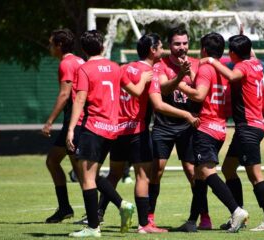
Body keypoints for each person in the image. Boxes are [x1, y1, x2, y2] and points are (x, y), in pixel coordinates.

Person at [97, 33, 200, 234]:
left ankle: (98, 215)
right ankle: (145, 224)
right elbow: (159, 105)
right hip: (137, 131)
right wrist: (187, 115)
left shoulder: (124, 68)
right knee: (143, 177)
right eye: (161, 47)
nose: (162, 51)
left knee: (114, 174)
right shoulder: (150, 72)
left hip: (118, 130)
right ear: (153, 50)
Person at [66, 30, 150, 237]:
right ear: (102, 46)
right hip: (112, 130)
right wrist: (145, 78)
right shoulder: (115, 67)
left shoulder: (84, 69)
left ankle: (93, 227)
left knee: (85, 178)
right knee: (92, 175)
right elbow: (137, 92)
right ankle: (122, 204)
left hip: (93, 127)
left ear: (84, 49)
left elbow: (79, 100)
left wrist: (70, 128)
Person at [200, 34, 264, 231]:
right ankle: (238, 214)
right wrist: (243, 36)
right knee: (228, 169)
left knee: (255, 175)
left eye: (230, 51)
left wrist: (210, 60)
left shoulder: (241, 67)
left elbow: (232, 76)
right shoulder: (255, 62)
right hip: (251, 127)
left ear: (233, 53)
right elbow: (249, 52)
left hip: (248, 128)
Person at [176, 32, 248, 233]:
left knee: (207, 173)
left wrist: (180, 85)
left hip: (205, 128)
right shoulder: (223, 69)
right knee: (199, 176)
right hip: (219, 128)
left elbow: (199, 94)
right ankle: (192, 221)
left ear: (204, 50)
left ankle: (236, 210)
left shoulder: (206, 67)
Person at [148, 27, 211, 231]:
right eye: (177, 43)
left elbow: (200, 89)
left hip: (189, 125)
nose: (181, 47)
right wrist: (179, 77)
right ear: (169, 45)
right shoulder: (160, 65)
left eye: (184, 43)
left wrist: (189, 72)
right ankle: (149, 217)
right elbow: (163, 89)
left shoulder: (195, 63)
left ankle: (204, 216)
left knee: (193, 172)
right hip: (164, 125)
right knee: (156, 170)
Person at [42, 28, 84, 223]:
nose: (50, 47)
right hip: (79, 119)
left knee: (83, 170)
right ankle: (65, 207)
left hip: (76, 121)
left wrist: (49, 121)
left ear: (59, 45)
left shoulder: (66, 64)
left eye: (51, 43)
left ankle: (99, 212)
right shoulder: (78, 60)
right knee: (53, 161)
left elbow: (65, 95)